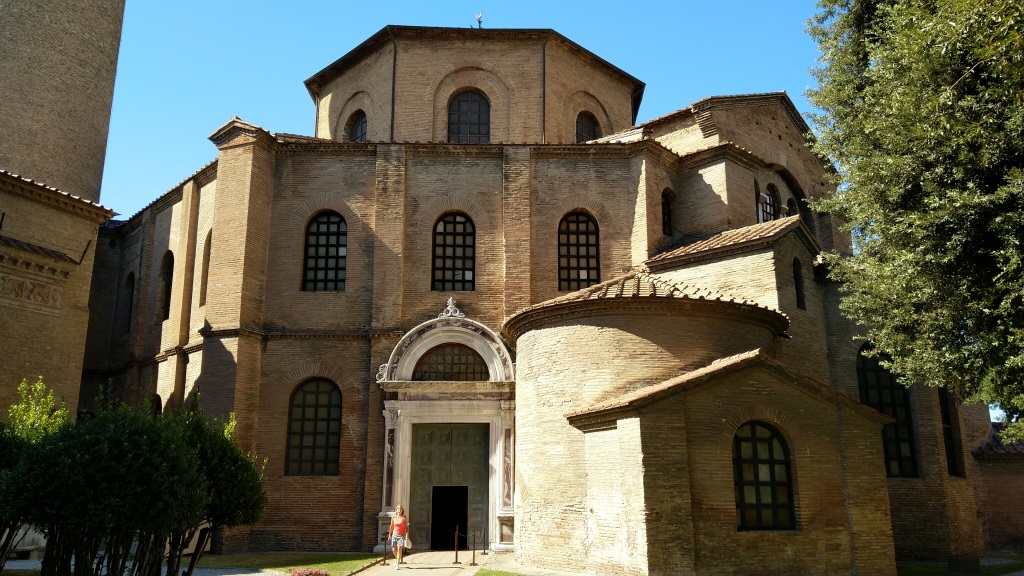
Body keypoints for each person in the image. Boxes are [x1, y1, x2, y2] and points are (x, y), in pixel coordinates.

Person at [388, 505, 409, 570]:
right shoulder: (393, 517)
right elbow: (391, 526)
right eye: (398, 508)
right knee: (394, 550)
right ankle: (396, 559)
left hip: (401, 535)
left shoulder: (404, 517)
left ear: (402, 510)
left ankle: (397, 563)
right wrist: (389, 534)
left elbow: (406, 527)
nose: (399, 509)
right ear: (396, 510)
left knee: (399, 549)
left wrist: (407, 536)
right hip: (394, 535)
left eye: (400, 508)